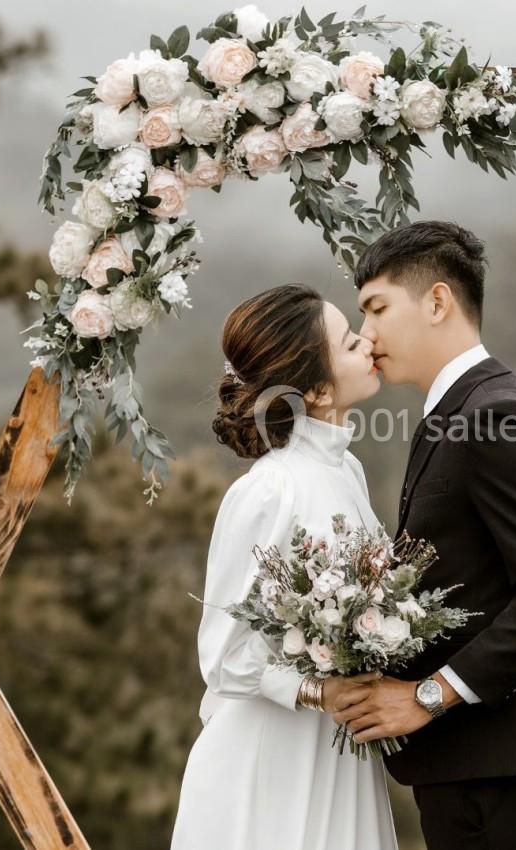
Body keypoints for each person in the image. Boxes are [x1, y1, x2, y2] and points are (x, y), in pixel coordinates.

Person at [332, 220, 516, 849]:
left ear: (437, 301)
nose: (366, 333)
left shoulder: (499, 413)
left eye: (376, 308)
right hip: (469, 764)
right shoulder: (450, 415)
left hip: (513, 767)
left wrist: (427, 696)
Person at [169, 283, 398, 850]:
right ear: (318, 389)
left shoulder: (349, 473)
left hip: (338, 752)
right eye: (349, 342)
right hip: (272, 759)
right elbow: (220, 657)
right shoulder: (268, 490)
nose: (368, 342)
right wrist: (318, 692)